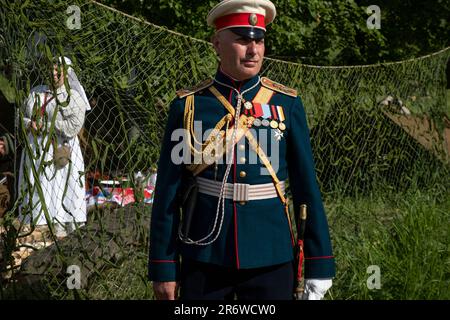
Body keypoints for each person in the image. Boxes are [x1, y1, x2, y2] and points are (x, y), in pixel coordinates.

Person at [148, 0, 335, 300]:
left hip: (271, 256)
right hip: (205, 254)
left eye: (259, 40)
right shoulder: (188, 107)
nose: (253, 50)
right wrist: (163, 267)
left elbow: (306, 188)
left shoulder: (286, 105)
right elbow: (168, 193)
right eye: (243, 40)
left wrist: (319, 262)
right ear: (217, 43)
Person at [18, 56, 90, 238]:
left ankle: (63, 233)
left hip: (59, 150)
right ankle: (36, 232)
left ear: (67, 73)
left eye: (59, 72)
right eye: (52, 70)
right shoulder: (36, 92)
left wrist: (48, 124)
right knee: (37, 187)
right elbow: (19, 118)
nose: (54, 74)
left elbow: (73, 127)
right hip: (36, 150)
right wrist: (28, 124)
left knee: (62, 190)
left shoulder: (73, 97)